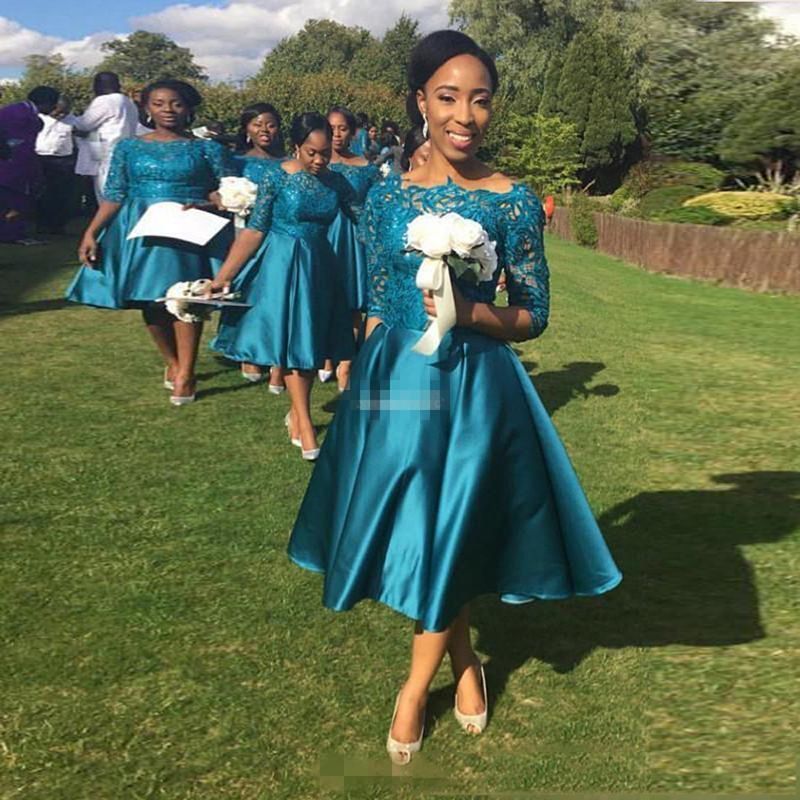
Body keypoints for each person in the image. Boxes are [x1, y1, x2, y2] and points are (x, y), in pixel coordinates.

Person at [288, 30, 622, 764]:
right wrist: (364, 387)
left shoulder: (513, 201)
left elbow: (533, 315)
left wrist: (466, 312)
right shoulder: (386, 197)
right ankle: (464, 660)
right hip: (396, 381)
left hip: (475, 390)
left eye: (479, 99)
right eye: (448, 97)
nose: (465, 114)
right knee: (424, 530)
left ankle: (413, 690)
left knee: (449, 526)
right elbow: (378, 303)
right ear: (421, 102)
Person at [65, 79, 235, 406]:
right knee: (151, 301)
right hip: (141, 228)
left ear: (188, 108)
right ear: (146, 108)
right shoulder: (129, 147)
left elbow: (224, 189)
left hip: (188, 229)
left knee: (188, 299)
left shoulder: (207, 148)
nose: (168, 110)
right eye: (159, 103)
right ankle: (172, 362)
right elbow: (115, 194)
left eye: (176, 104)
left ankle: (186, 371)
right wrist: (92, 231)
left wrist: (212, 202)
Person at [208, 113, 354, 460]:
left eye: (325, 154)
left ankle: (297, 416)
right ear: (296, 147)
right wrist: (224, 274)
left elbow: (365, 219)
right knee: (292, 344)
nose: (319, 160)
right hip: (281, 265)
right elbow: (255, 229)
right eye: (311, 153)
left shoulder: (337, 182)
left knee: (311, 343)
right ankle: (303, 421)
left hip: (320, 265)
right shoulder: (276, 177)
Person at [231, 102, 288, 389]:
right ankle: (249, 351)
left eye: (270, 124)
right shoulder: (237, 161)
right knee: (247, 290)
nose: (264, 130)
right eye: (257, 124)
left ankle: (277, 357)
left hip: (278, 235)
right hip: (244, 232)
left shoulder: (288, 162)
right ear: (246, 129)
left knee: (276, 295)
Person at [322, 105, 380, 391]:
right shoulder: (315, 162)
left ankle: (347, 362)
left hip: (354, 237)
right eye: (331, 128)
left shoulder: (366, 168)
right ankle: (326, 357)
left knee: (353, 300)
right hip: (323, 233)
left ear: (352, 132)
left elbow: (375, 204)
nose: (336, 134)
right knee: (323, 296)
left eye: (342, 128)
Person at [63, 71, 139, 202]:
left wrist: (68, 119)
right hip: (126, 150)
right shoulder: (128, 102)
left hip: (105, 152)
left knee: (105, 193)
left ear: (98, 85)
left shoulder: (104, 100)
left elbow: (84, 124)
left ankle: (108, 221)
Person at [0, 86, 59, 244]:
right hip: (13, 165)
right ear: (46, 102)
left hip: (11, 162)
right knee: (16, 200)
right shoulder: (25, 116)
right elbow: (22, 146)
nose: (55, 108)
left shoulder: (15, 110)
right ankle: (12, 234)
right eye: (54, 103)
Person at [35, 95, 77, 235]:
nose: (60, 115)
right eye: (58, 111)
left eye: (64, 112)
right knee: (43, 195)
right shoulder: (39, 118)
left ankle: (58, 225)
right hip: (41, 158)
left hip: (64, 160)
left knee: (62, 195)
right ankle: (41, 225)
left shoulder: (72, 120)